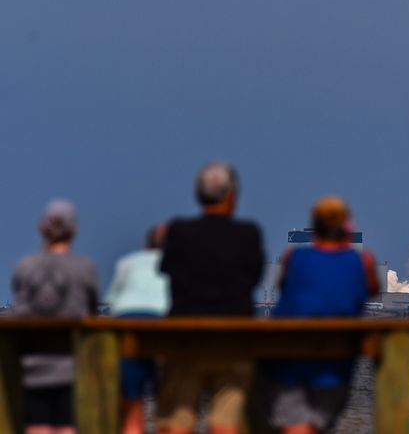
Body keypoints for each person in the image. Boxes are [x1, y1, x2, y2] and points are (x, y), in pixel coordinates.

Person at [157, 161, 265, 434]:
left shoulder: (179, 232)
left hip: (185, 338)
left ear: (199, 195)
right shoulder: (248, 235)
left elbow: (167, 269)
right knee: (226, 422)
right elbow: (254, 276)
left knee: (177, 422)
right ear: (232, 196)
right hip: (233, 337)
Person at [261, 196, 379, 434]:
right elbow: (371, 290)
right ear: (347, 228)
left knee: (295, 423)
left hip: (289, 363)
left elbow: (284, 288)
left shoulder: (293, 258)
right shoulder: (361, 261)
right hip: (334, 369)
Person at [12, 199, 98, 434]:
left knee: (36, 428)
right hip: (71, 367)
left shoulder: (24, 266)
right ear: (74, 230)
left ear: (42, 228)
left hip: (32, 366)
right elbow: (93, 312)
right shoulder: (85, 268)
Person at [105, 224, 170, 434]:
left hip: (128, 323)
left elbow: (110, 303)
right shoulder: (177, 264)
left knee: (133, 405)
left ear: (145, 246)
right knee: (169, 408)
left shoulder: (126, 263)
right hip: (165, 324)